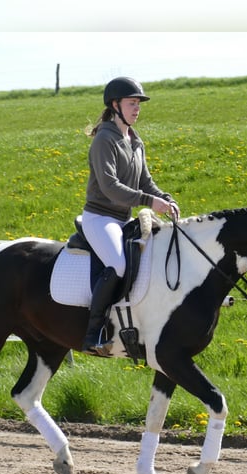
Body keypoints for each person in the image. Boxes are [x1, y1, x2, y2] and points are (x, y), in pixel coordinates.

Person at [81, 76, 179, 356]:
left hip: (123, 219)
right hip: (100, 218)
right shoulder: (104, 140)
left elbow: (146, 182)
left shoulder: (135, 141)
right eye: (132, 103)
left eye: (138, 104)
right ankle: (93, 333)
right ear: (115, 105)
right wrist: (150, 201)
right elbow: (110, 188)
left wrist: (166, 198)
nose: (137, 109)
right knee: (119, 265)